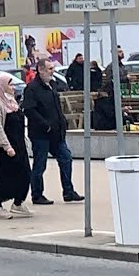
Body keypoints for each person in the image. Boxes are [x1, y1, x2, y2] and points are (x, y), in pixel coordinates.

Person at [23, 59, 83, 205]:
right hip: (41, 135)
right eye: (50, 68)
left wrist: (62, 123)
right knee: (40, 164)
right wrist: (46, 125)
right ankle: (37, 195)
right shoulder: (32, 88)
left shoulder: (53, 85)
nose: (52, 71)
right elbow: (29, 110)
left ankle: (68, 192)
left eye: (52, 68)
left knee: (66, 158)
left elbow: (56, 107)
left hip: (57, 133)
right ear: (40, 70)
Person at [0, 74, 32, 219]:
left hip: (19, 145)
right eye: (10, 84)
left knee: (24, 174)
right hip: (3, 149)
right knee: (2, 177)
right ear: (2, 86)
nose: (13, 87)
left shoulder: (11, 101)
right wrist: (7, 146)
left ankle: (18, 202)